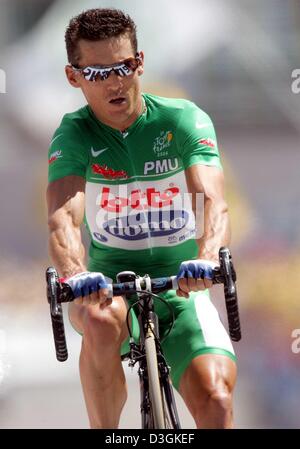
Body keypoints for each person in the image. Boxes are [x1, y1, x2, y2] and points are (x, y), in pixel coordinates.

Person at [47, 8, 237, 429]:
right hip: (106, 285)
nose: (115, 82)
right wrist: (76, 273)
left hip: (182, 283)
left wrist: (206, 257)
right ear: (73, 77)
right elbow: (63, 216)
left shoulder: (182, 119)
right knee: (99, 318)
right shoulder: (74, 134)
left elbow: (213, 201)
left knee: (218, 402)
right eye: (97, 73)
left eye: (124, 67)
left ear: (141, 63)